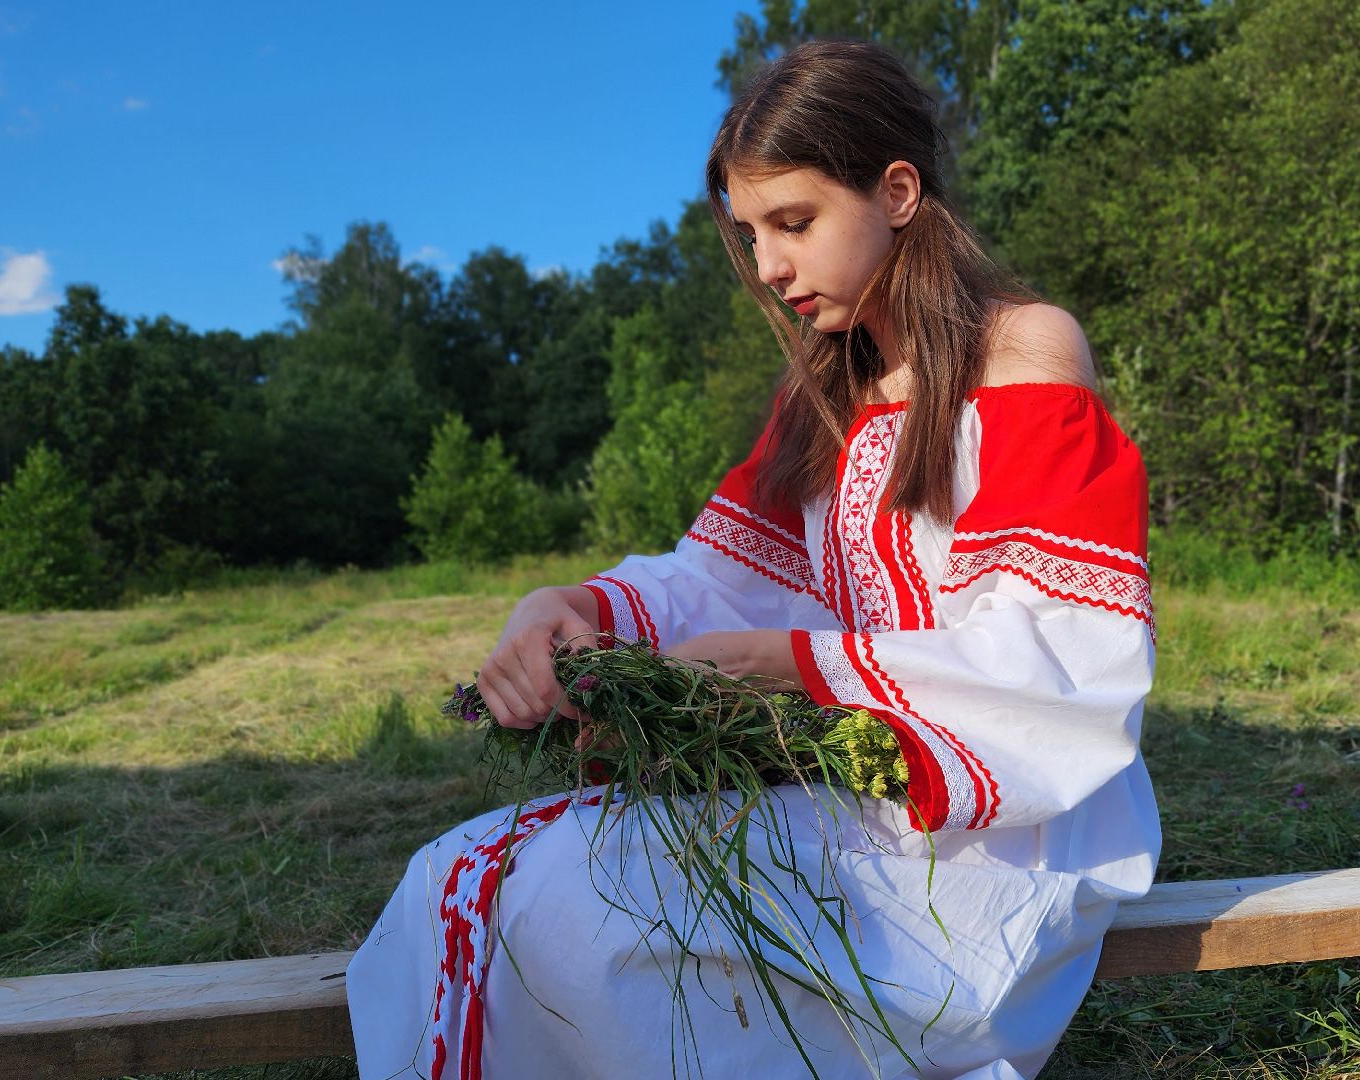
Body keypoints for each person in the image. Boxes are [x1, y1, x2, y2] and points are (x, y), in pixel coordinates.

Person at [347, 39, 1159, 1080]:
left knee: (576, 906)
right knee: (463, 873)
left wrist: (801, 666)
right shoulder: (823, 394)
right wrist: (574, 608)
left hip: (1001, 833)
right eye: (751, 233)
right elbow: (721, 577)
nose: (770, 268)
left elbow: (1066, 653)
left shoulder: (1025, 352)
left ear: (897, 191)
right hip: (862, 797)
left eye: (795, 222)